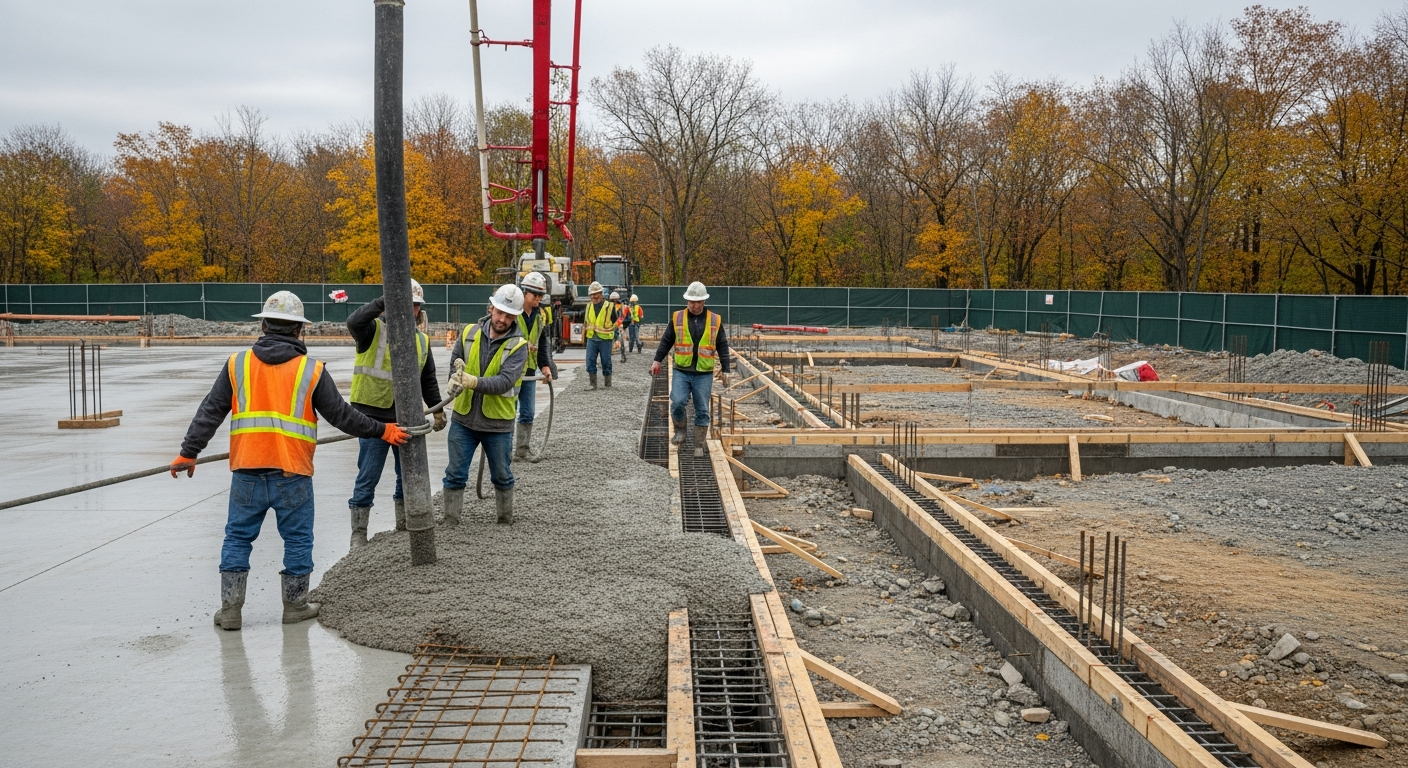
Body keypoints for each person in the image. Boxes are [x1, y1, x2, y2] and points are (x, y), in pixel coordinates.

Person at [171, 291, 410, 632]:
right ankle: (295, 606)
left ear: (264, 325)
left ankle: (231, 611)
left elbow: (211, 410)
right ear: (300, 331)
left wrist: (189, 452)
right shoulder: (310, 371)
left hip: (247, 472)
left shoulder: (237, 364)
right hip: (292, 473)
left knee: (237, 539)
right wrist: (382, 431)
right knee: (297, 540)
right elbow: (343, 417)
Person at [345, 279, 444, 549]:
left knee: (407, 474)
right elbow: (353, 322)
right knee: (368, 474)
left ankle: (405, 522)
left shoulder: (422, 341)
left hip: (406, 417)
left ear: (418, 309)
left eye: (412, 305)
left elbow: (429, 379)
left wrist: (437, 411)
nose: (407, 309)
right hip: (371, 418)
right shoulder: (372, 330)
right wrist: (383, 300)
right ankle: (358, 533)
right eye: (402, 303)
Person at [441, 283, 529, 525]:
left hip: (497, 424)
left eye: (509, 315)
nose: (502, 319)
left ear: (515, 317)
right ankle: (450, 521)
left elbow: (503, 382)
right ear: (491, 308)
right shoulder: (469, 333)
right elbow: (455, 362)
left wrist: (472, 381)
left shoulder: (518, 346)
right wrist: (455, 378)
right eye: (499, 312)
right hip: (464, 419)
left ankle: (504, 520)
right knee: (455, 474)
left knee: (501, 475)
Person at [651, 281, 730, 458]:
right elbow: (666, 341)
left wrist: (726, 369)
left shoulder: (714, 320)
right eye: (692, 302)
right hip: (682, 370)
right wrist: (657, 360)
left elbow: (722, 345)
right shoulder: (677, 318)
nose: (695, 305)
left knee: (702, 409)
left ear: (704, 301)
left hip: (703, 373)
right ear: (687, 301)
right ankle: (680, 431)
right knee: (678, 402)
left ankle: (699, 444)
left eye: (698, 302)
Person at [515, 272, 556, 459]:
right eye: (535, 295)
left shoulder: (539, 316)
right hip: (511, 371)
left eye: (540, 296)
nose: (538, 299)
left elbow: (542, 343)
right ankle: (502, 452)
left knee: (528, 412)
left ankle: (522, 450)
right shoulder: (513, 313)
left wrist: (545, 366)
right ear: (524, 293)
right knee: (507, 412)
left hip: (529, 370)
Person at [583, 281, 617, 389]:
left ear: (601, 294)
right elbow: (586, 322)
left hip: (605, 339)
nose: (594, 296)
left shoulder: (609, 307)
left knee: (606, 361)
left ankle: (608, 383)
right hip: (592, 338)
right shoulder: (588, 307)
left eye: (596, 293)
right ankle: (592, 384)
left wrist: (617, 338)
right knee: (590, 361)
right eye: (592, 294)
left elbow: (616, 322)